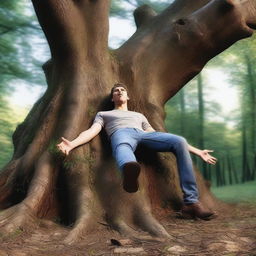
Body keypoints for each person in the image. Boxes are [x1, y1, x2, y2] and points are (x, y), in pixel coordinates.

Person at [57, 83, 217, 220]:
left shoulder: (139, 115)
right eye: (116, 91)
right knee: (122, 146)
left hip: (145, 134)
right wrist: (71, 144)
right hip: (120, 133)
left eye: (122, 90)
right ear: (112, 98)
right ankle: (129, 169)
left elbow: (154, 133)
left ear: (128, 97)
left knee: (179, 141)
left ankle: (191, 203)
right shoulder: (104, 114)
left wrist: (197, 152)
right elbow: (92, 131)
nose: (119, 92)